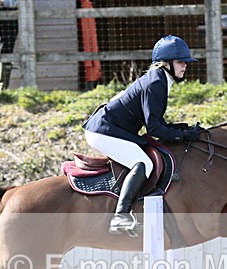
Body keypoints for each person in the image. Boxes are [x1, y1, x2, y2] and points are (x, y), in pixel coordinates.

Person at [83, 35, 203, 235]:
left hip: (111, 128)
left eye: (186, 62)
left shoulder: (159, 79)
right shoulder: (156, 82)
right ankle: (120, 216)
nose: (185, 66)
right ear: (167, 63)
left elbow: (157, 123)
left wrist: (182, 130)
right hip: (103, 131)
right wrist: (183, 136)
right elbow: (155, 130)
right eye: (181, 62)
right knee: (143, 163)